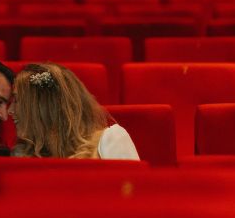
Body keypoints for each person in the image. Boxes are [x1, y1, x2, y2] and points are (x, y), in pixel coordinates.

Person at [8, 62, 139, 160]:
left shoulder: (110, 140)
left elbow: (134, 193)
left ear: (42, 106)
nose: (9, 110)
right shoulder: (23, 154)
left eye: (17, 101)